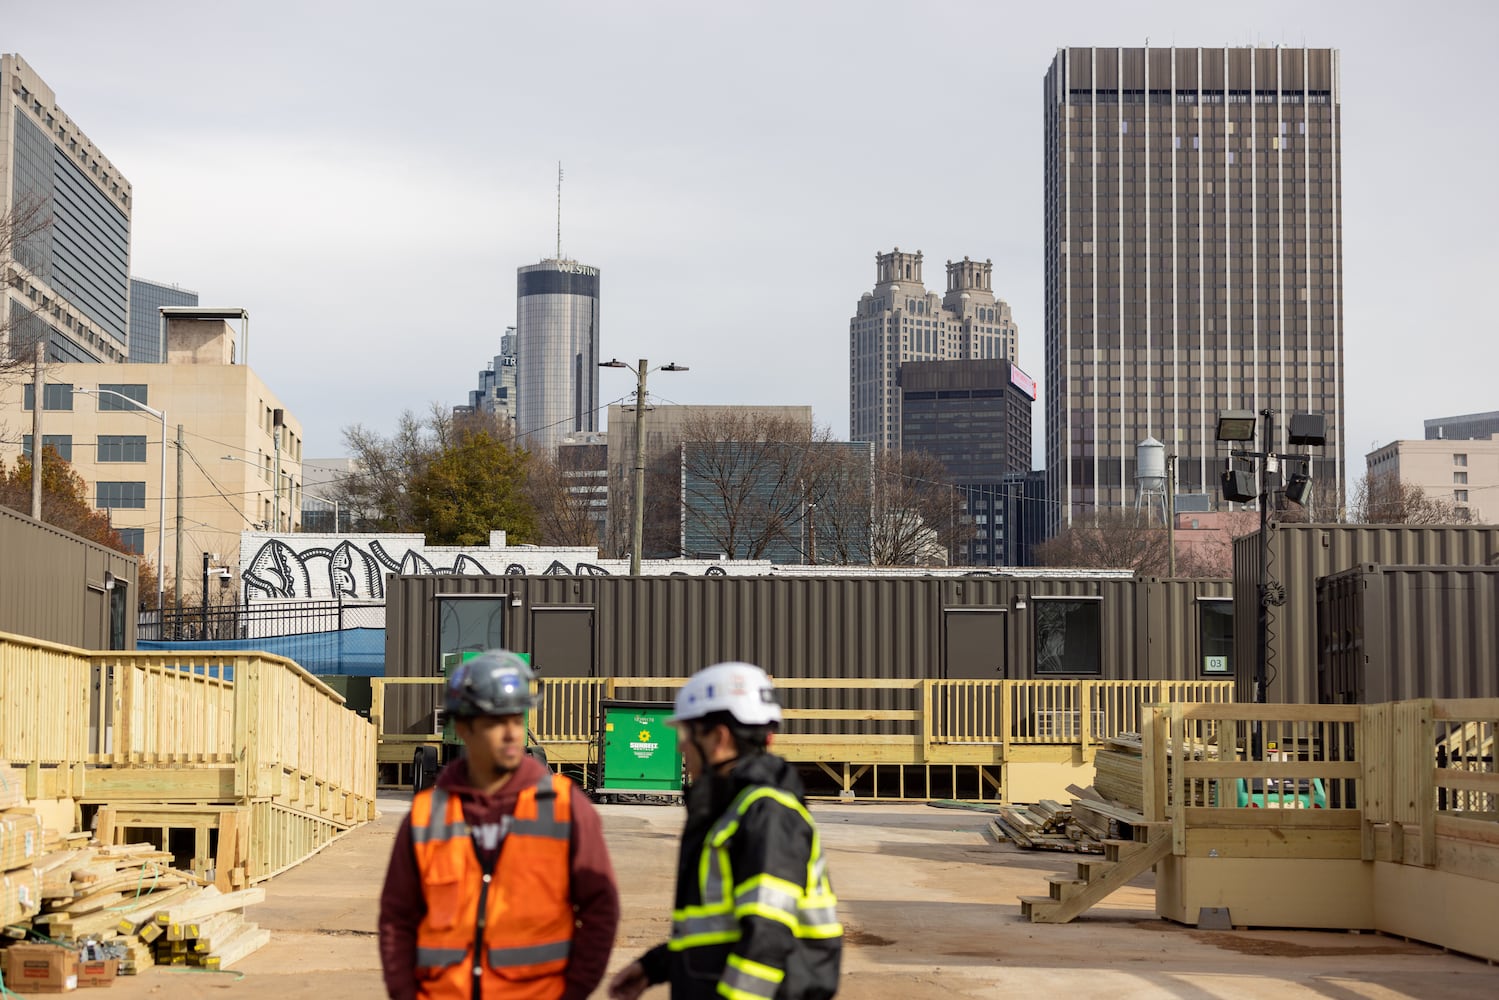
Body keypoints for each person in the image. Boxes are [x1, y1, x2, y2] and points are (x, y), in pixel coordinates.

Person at [379, 649, 620, 1000]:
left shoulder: (565, 809)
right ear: (463, 728)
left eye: (516, 719)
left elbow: (601, 908)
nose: (510, 733)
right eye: (495, 721)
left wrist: (573, 991)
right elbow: (397, 918)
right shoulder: (426, 816)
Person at [608, 661, 841, 1000]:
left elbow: (766, 940)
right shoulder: (731, 808)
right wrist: (657, 966)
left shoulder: (766, 813)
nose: (679, 748)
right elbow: (719, 930)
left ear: (718, 737)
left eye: (686, 735)